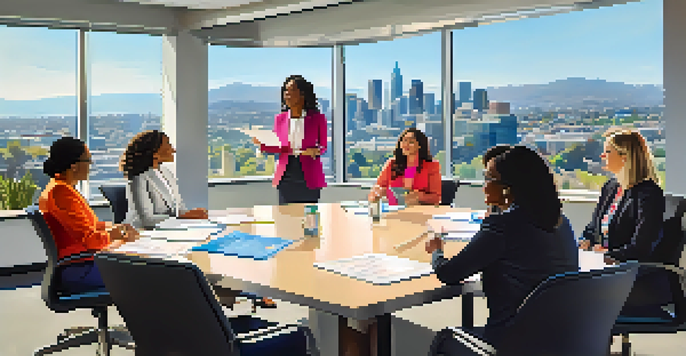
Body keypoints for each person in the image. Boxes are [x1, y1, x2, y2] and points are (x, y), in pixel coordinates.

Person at [426, 145, 579, 353]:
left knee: (445, 341)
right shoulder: (562, 223)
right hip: (561, 339)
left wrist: (437, 251)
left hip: (512, 341)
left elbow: (449, 273)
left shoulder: (503, 226)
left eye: (488, 178)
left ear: (508, 188)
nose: (484, 185)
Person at [578, 127, 671, 319]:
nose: (602, 155)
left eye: (608, 151)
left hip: (632, 276)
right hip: (605, 269)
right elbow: (592, 228)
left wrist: (609, 255)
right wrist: (584, 241)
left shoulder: (649, 194)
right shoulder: (611, 188)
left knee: (574, 297)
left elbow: (642, 247)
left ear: (625, 157)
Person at [39, 136, 139, 295]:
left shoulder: (59, 188)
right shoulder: (61, 193)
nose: (91, 167)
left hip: (80, 264)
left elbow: (87, 226)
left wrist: (114, 227)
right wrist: (118, 234)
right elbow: (90, 240)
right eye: (88, 161)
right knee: (147, 274)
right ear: (74, 166)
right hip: (79, 270)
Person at [253, 75, 327, 205]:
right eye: (285, 91)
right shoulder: (279, 119)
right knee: (286, 216)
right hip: (286, 175)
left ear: (302, 94)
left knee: (309, 216)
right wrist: (263, 145)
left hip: (309, 175)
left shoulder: (317, 118)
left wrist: (315, 151)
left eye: (291, 90)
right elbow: (279, 147)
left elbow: (323, 146)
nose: (287, 94)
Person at [120, 130, 208, 230]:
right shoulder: (138, 178)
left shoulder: (166, 173)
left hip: (169, 229)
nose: (173, 150)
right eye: (168, 144)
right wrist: (182, 217)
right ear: (155, 152)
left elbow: (179, 209)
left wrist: (194, 214)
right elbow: (147, 220)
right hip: (142, 233)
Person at [368, 127, 441, 206]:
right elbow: (376, 189)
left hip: (419, 211)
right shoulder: (391, 164)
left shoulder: (432, 166)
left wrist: (420, 196)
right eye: (404, 141)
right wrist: (377, 193)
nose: (406, 144)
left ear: (420, 145)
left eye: (411, 142)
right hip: (393, 210)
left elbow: (436, 198)